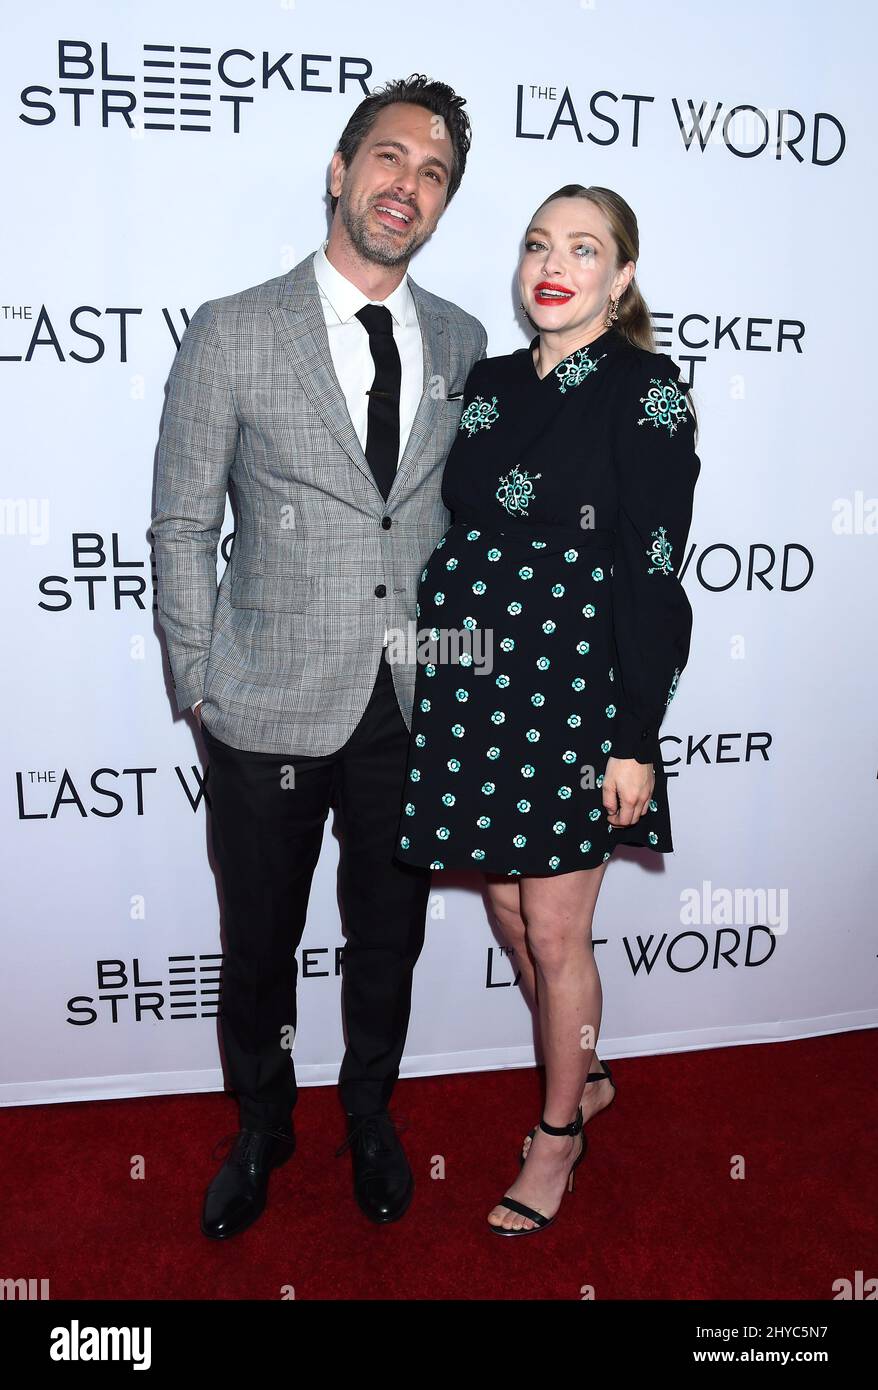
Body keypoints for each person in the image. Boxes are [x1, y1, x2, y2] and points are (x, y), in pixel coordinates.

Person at [150, 74, 487, 1238]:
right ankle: (260, 1125)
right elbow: (183, 523)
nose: (409, 186)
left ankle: (370, 1113)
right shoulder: (234, 327)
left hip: (405, 703)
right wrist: (199, 680)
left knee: (386, 937)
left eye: (434, 174)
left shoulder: (460, 337)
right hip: (262, 707)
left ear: (441, 207)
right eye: (390, 158)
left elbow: (441, 522)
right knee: (260, 943)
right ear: (340, 172)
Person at [394, 184, 701, 1234]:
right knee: (503, 908)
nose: (551, 263)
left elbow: (653, 570)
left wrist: (633, 739)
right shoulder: (482, 383)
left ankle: (556, 1138)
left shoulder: (645, 390)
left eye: (582, 248)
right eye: (536, 244)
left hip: (577, 691)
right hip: (476, 685)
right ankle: (590, 1074)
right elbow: (449, 541)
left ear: (619, 278)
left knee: (556, 928)